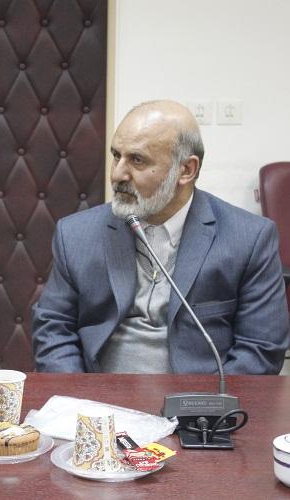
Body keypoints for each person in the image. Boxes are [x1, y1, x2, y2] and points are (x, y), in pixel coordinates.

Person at [32, 100, 289, 375]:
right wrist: (77, 394)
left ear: (186, 170)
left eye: (137, 160)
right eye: (116, 155)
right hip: (99, 395)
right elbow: (53, 327)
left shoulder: (249, 239)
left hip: (198, 397)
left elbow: (261, 348)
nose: (117, 174)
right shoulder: (76, 234)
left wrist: (207, 401)